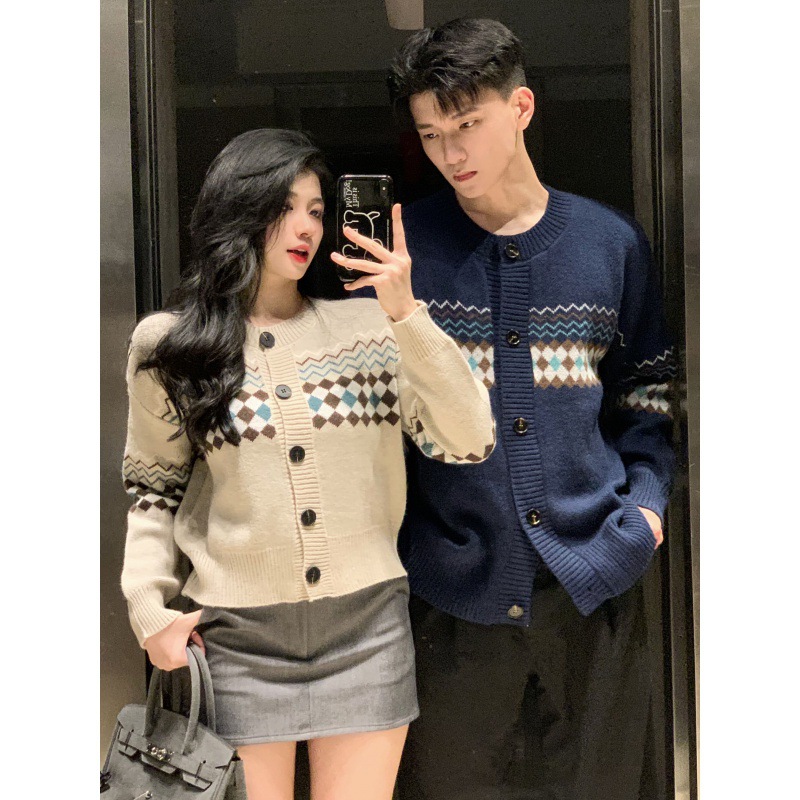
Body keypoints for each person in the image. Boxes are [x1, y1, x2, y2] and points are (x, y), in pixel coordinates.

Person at [119, 128, 495, 800]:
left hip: (366, 633)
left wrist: (405, 311)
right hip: (234, 641)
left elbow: (470, 440)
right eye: (284, 208)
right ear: (238, 210)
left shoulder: (370, 330)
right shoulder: (171, 346)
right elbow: (154, 491)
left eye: (317, 211)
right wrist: (149, 608)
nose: (306, 228)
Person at [356, 17, 677, 800]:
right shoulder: (406, 252)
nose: (450, 153)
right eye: (431, 134)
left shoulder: (609, 243)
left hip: (595, 584)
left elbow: (649, 397)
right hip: (450, 599)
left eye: (467, 124)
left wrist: (644, 513)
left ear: (521, 107)